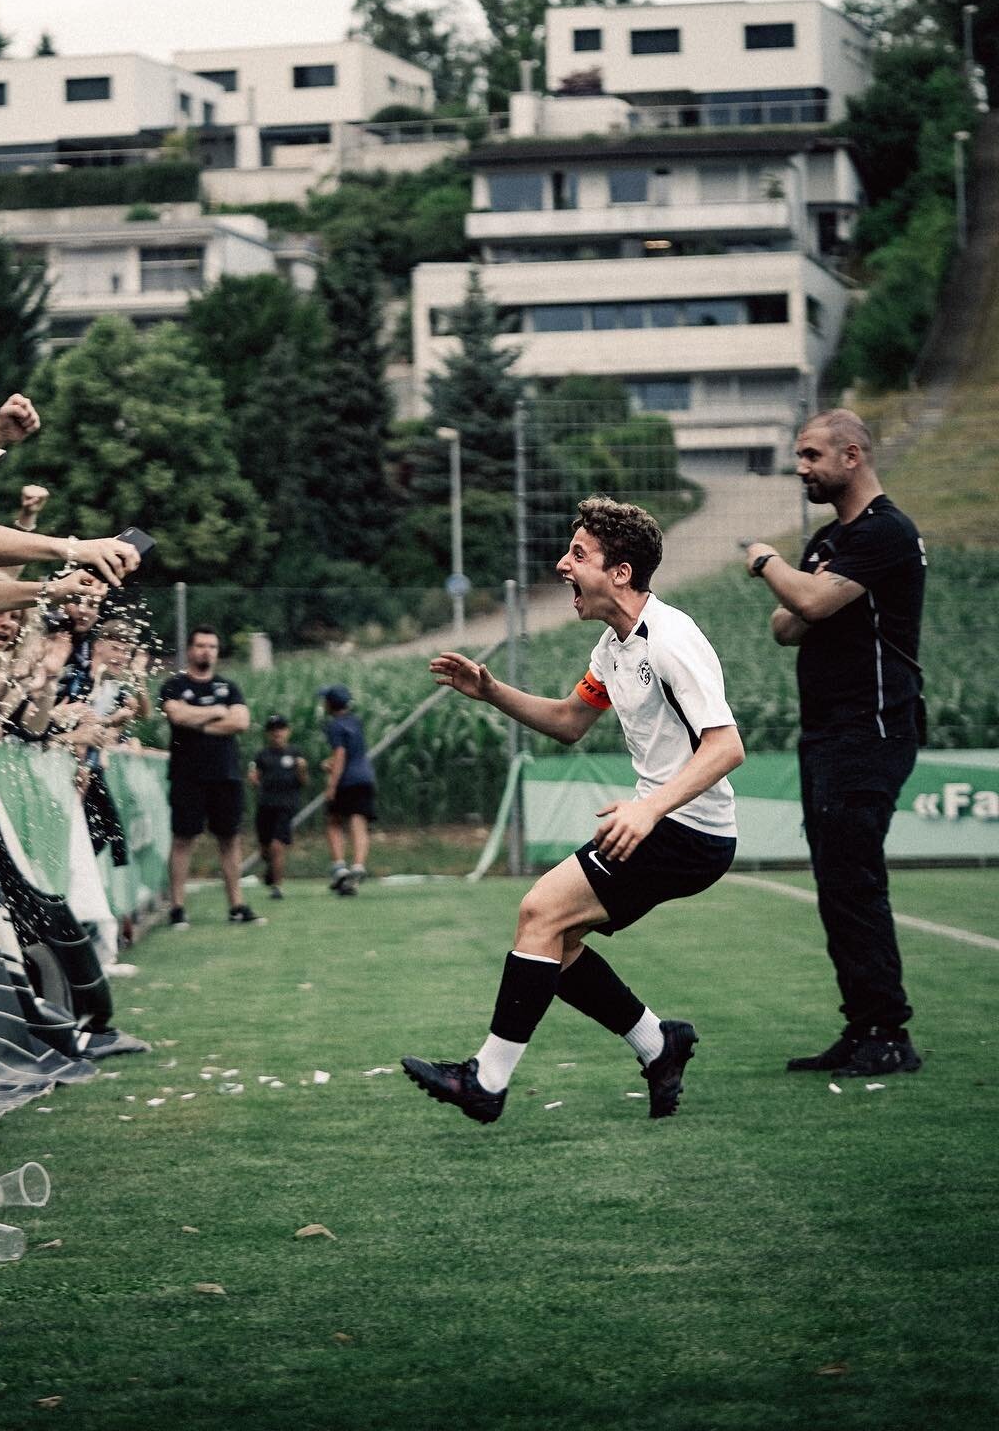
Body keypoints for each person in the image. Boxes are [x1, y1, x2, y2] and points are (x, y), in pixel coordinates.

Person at [404, 496, 744, 1125]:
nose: (563, 566)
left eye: (578, 554)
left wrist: (649, 811)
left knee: (539, 912)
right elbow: (568, 722)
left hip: (688, 831)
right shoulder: (614, 648)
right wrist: (491, 691)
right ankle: (657, 1044)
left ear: (620, 572)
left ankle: (486, 1081)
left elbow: (726, 746)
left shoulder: (671, 639)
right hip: (668, 824)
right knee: (551, 944)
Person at [744, 410, 926, 1078]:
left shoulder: (887, 533)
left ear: (852, 456)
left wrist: (768, 561)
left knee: (854, 876)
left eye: (812, 455)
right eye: (799, 455)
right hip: (827, 731)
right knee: (836, 881)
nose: (801, 467)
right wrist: (799, 585)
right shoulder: (829, 541)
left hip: (871, 725)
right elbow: (784, 625)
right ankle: (862, 1025)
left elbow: (811, 606)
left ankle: (888, 1032)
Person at [159, 625, 262, 928]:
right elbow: (176, 715)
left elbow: (241, 721)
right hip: (187, 775)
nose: (207, 651)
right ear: (190, 650)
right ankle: (177, 907)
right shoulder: (174, 685)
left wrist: (198, 722)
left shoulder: (229, 688)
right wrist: (216, 712)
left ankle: (236, 904)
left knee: (230, 839)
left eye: (213, 647)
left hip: (225, 774)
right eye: (201, 645)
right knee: (183, 839)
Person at [319, 683, 376, 895]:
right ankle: (358, 866)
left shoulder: (334, 725)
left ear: (330, 704)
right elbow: (352, 751)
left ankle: (340, 867)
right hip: (366, 777)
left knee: (333, 821)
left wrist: (332, 785)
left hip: (347, 780)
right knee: (358, 823)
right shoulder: (356, 722)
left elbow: (341, 754)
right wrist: (330, 762)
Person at [249, 714, 307, 900]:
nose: (277, 733)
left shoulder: (295, 753)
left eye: (281, 729)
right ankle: (271, 869)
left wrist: (301, 769)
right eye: (273, 730)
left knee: (277, 845)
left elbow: (304, 781)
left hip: (286, 806)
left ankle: (277, 886)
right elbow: (255, 777)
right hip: (266, 805)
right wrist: (254, 780)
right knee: (265, 848)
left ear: (287, 731)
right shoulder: (263, 755)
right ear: (268, 733)